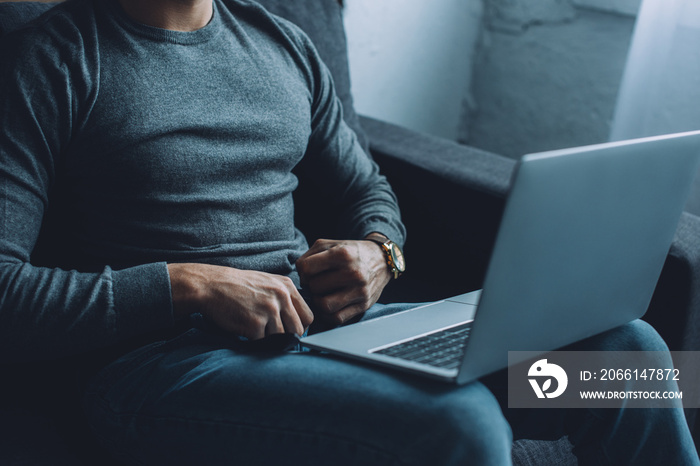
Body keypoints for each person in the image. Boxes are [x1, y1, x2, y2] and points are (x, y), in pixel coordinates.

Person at [0, 0, 697, 464]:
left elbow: (366, 189)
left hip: (326, 335)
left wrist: (379, 252)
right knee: (460, 422)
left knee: (624, 358)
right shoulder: (55, 59)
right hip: (165, 370)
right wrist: (189, 285)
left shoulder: (280, 43)